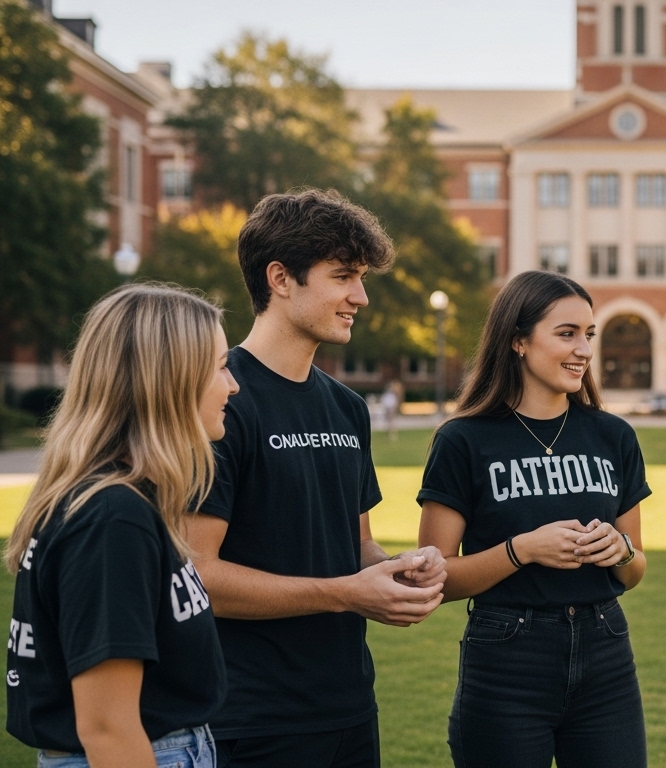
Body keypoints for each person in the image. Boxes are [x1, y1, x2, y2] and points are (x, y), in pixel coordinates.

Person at [187, 189, 448, 768]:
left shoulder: (347, 408)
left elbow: (352, 547)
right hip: (252, 719)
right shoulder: (219, 398)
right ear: (280, 278)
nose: (361, 296)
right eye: (344, 276)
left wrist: (396, 571)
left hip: (350, 707)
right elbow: (198, 575)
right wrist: (344, 594)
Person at [417, 270, 649, 768]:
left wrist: (620, 551)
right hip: (507, 659)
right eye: (566, 334)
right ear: (518, 340)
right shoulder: (464, 440)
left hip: (605, 649)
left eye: (589, 334)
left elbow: (634, 572)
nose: (583, 349)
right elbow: (435, 578)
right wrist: (522, 550)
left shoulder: (614, 436)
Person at [5, 284, 237, 767]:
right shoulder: (112, 520)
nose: (233, 385)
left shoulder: (126, 504)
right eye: (220, 366)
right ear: (171, 380)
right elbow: (108, 729)